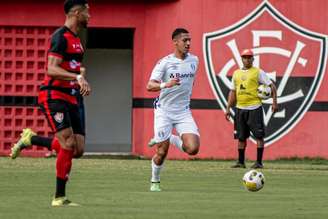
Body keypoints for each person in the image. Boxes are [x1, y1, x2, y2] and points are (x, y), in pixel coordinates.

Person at [10, 0, 91, 206]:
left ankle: (32, 140)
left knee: (78, 149)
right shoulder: (60, 36)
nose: (89, 15)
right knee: (68, 143)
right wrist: (76, 77)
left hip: (72, 96)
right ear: (76, 12)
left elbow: (73, 67)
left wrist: (80, 76)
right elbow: (51, 69)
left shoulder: (77, 40)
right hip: (53, 95)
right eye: (87, 12)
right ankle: (59, 197)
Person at [147, 28, 200, 192]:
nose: (188, 43)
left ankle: (171, 138)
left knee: (193, 149)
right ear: (175, 42)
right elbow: (150, 86)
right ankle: (155, 180)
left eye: (189, 40)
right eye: (185, 40)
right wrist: (166, 84)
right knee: (161, 152)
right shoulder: (165, 63)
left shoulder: (195, 61)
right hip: (164, 111)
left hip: (183, 111)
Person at [225, 49, 278, 169]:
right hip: (240, 109)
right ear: (242, 59)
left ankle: (259, 162)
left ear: (253, 59)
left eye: (249, 57)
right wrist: (228, 108)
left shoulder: (258, 72)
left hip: (254, 108)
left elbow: (272, 86)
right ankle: (241, 162)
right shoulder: (236, 73)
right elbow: (233, 91)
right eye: (245, 57)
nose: (247, 59)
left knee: (259, 136)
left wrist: (274, 102)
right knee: (241, 137)